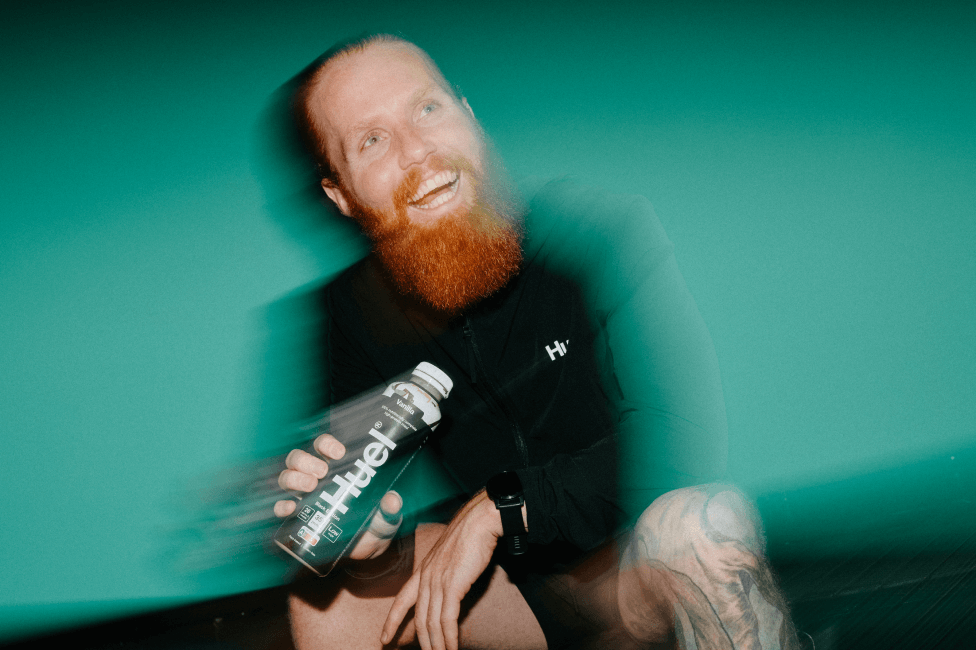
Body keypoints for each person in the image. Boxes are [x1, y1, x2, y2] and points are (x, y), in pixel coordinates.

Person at [273, 34, 800, 650]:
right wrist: (367, 549)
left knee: (703, 523)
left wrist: (505, 506)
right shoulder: (349, 315)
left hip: (636, 575)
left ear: (467, 117)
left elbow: (680, 444)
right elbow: (362, 503)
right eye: (372, 140)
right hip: (513, 595)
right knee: (323, 594)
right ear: (341, 194)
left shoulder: (588, 243)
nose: (418, 151)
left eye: (427, 109)